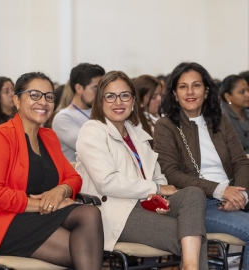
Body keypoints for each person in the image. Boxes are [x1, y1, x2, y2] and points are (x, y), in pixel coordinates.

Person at [0, 72, 104, 270]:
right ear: (17, 100)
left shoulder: (49, 137)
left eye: (49, 96)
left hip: (41, 218)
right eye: (34, 95)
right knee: (87, 252)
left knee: (89, 215)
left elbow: (73, 177)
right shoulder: (0, 136)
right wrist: (44, 205)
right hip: (6, 223)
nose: (43, 102)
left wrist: (60, 191)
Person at [76, 70, 208, 270]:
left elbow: (158, 176)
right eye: (110, 96)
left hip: (145, 205)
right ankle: (191, 266)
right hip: (115, 210)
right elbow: (106, 182)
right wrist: (156, 189)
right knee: (192, 235)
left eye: (125, 95)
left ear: (133, 100)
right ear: (100, 101)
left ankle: (190, 266)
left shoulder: (138, 134)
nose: (118, 102)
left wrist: (160, 196)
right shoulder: (92, 130)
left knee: (193, 194)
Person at [153, 62, 249, 269]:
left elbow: (241, 161)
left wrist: (241, 195)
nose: (190, 92)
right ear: (174, 93)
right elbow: (171, 173)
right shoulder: (166, 126)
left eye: (196, 85)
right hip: (200, 204)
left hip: (235, 196)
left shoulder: (220, 120)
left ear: (206, 91)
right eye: (182, 86)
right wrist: (221, 191)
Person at [52, 63, 105, 162]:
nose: (100, 93)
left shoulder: (102, 111)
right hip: (78, 175)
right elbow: (90, 145)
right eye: (95, 88)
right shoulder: (63, 117)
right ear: (79, 88)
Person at [220, 75, 249, 153]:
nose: (247, 95)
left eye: (248, 90)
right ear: (228, 97)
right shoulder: (221, 117)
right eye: (242, 92)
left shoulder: (246, 113)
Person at [133, 75, 162, 146]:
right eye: (154, 96)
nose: (159, 99)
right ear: (140, 101)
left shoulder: (163, 117)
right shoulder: (138, 126)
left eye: (161, 94)